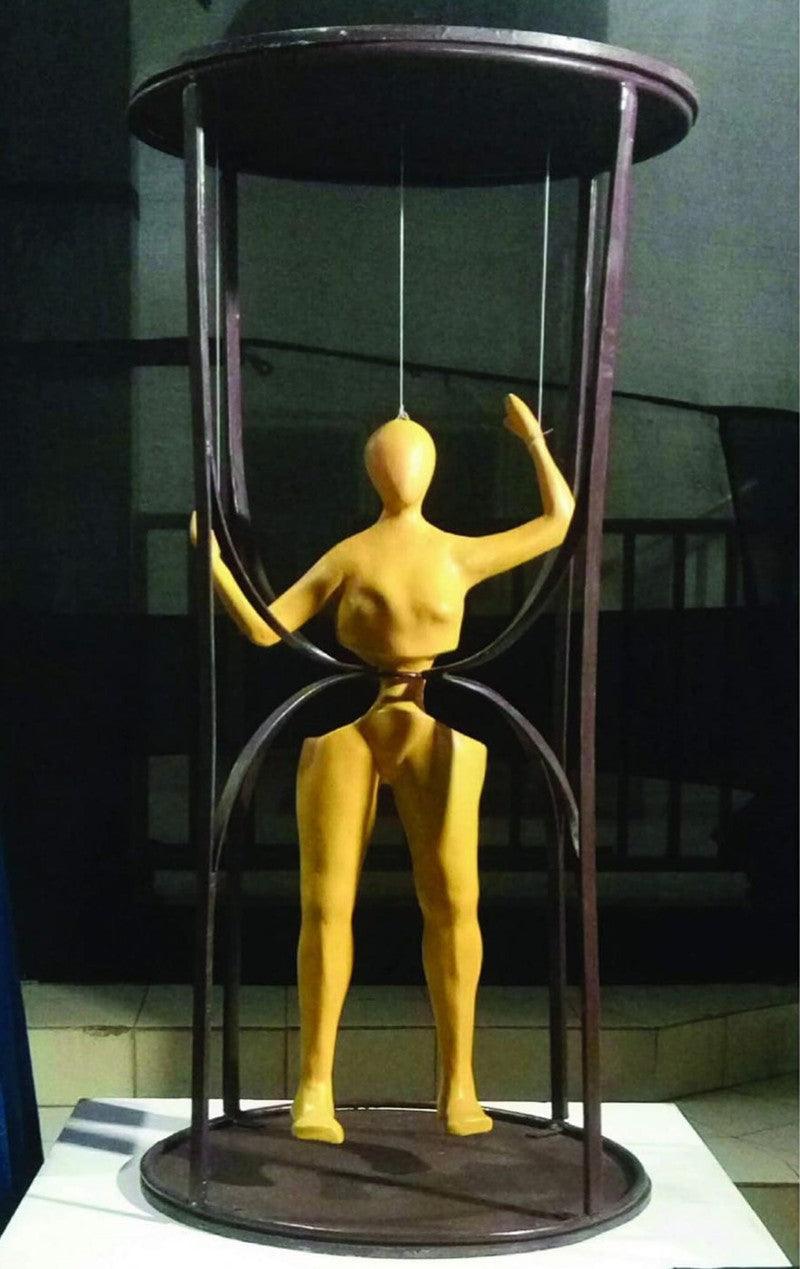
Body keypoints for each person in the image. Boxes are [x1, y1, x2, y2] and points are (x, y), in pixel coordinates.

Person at [191, 392, 574, 1144]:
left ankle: (459, 1081)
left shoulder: (456, 552)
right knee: (325, 905)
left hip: (431, 729)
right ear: (373, 471)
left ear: (431, 472)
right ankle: (314, 1084)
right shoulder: (352, 554)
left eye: (412, 460)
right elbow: (268, 631)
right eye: (391, 460)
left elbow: (558, 521)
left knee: (455, 903)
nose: (402, 471)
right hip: (356, 731)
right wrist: (212, 564)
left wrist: (535, 441)